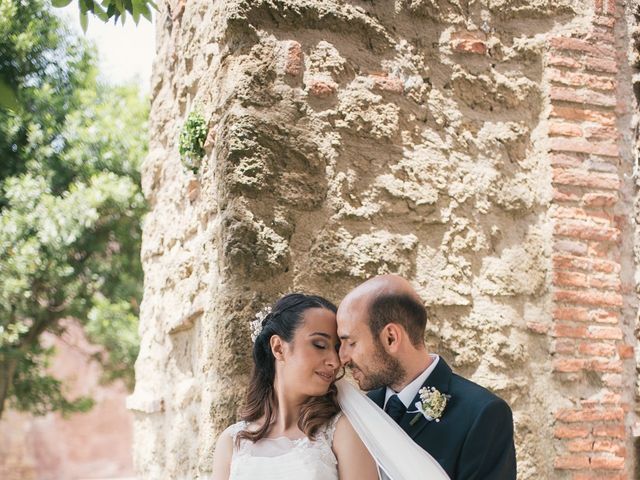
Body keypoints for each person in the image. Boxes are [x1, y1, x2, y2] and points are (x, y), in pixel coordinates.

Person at [337, 275, 517, 480]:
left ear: (391, 338)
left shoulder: (482, 414)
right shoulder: (362, 409)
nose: (342, 358)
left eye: (351, 343)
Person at [211, 293, 380, 480]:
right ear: (278, 348)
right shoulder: (231, 441)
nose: (335, 361)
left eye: (336, 348)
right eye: (319, 344)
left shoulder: (342, 432)